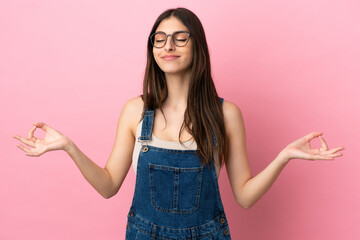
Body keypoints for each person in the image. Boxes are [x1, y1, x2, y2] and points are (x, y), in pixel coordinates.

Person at [13, 7, 344, 240]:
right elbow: (108, 185)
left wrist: (284, 156)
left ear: (197, 45)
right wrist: (68, 146)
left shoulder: (226, 114)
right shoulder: (135, 111)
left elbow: (243, 197)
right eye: (159, 39)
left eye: (179, 38)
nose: (167, 46)